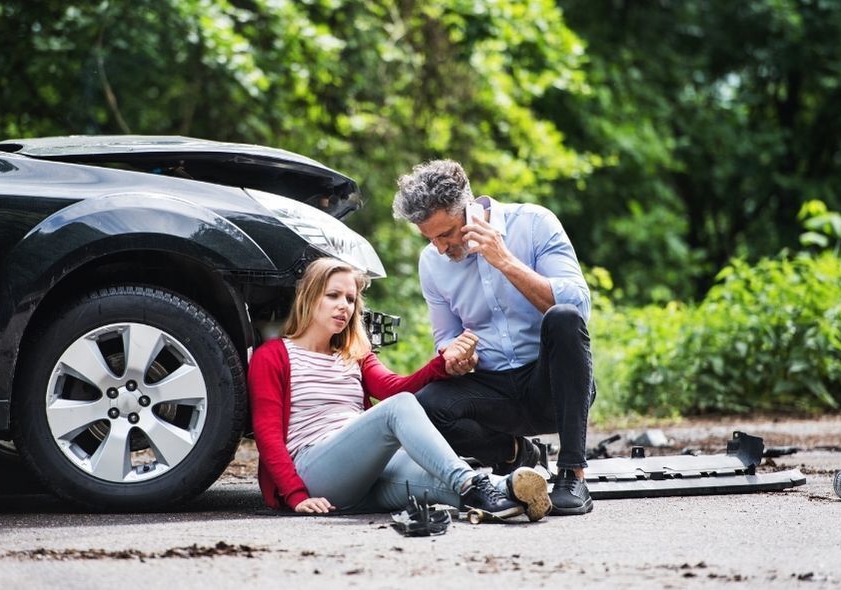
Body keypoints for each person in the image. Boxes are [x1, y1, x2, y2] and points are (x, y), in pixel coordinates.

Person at [248, 257, 550, 521]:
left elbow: (394, 388)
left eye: (351, 299)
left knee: (436, 477)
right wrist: (296, 495)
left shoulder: (355, 354)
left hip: (363, 474)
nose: (344, 306)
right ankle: (475, 486)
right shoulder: (273, 356)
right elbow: (268, 436)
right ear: (309, 297)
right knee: (400, 409)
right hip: (315, 472)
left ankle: (511, 492)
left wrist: (440, 365)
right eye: (333, 296)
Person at [392, 159, 596, 516]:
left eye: (446, 234)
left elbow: (578, 306)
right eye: (430, 238)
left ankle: (573, 473)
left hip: (550, 384)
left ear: (471, 213)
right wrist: (455, 357)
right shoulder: (432, 263)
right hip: (493, 391)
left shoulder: (534, 223)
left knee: (563, 318)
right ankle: (515, 454)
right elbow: (445, 337)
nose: (440, 248)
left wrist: (504, 260)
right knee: (424, 405)